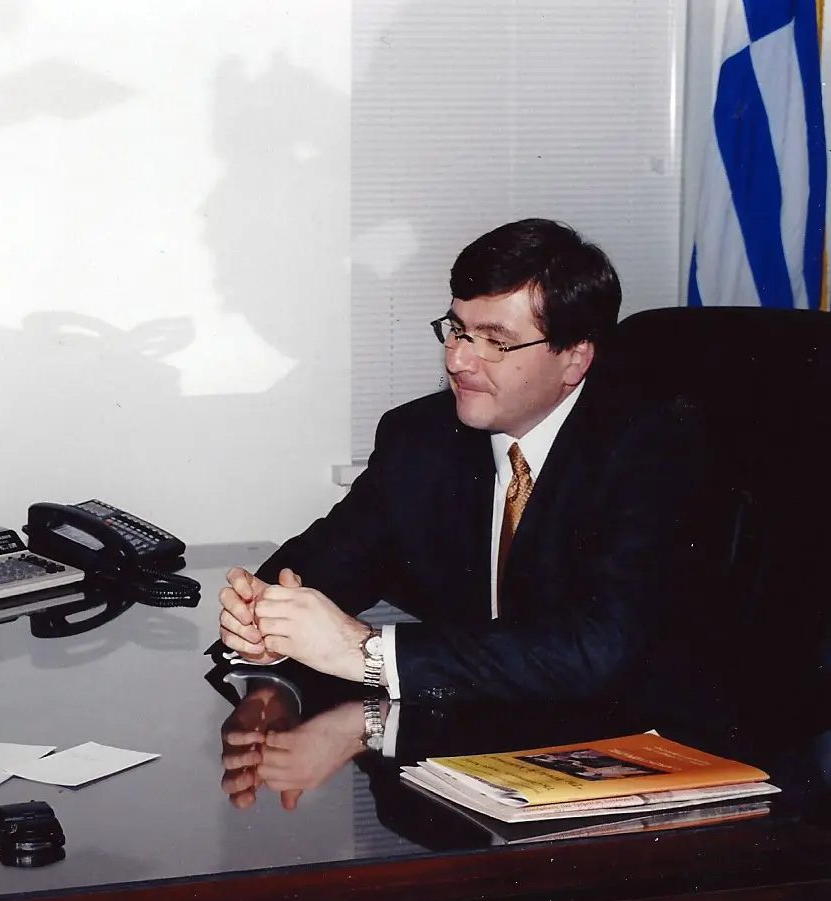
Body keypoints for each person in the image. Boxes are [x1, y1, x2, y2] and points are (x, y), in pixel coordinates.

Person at [218, 218, 723, 703]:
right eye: (457, 330)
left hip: (630, 747)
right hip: (472, 741)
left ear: (575, 358)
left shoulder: (653, 451)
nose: (458, 359)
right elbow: (327, 563)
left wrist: (366, 653)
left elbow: (595, 650)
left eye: (495, 341)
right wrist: (262, 617)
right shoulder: (421, 437)